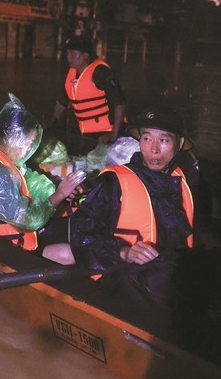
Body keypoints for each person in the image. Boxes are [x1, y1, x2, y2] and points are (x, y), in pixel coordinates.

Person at [67, 106, 197, 335]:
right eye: (146, 139)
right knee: (165, 282)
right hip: (118, 275)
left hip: (167, 275)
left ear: (179, 143)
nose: (154, 149)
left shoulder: (181, 181)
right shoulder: (114, 182)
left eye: (163, 140)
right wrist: (123, 252)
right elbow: (81, 234)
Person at [0, 93, 85, 264]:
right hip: (3, 245)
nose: (28, 149)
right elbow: (24, 220)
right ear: (11, 138)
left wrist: (59, 189)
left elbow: (30, 180)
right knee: (69, 254)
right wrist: (59, 195)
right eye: (27, 143)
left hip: (14, 233)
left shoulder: (1, 152)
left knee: (77, 227)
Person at [50, 35, 126, 144]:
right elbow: (62, 101)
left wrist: (114, 133)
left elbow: (119, 103)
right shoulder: (71, 74)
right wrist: (53, 123)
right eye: (67, 53)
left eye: (73, 54)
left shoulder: (101, 72)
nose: (69, 58)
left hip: (106, 133)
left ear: (86, 55)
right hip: (85, 135)